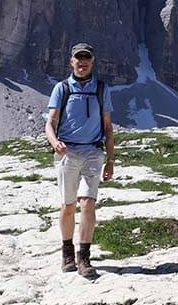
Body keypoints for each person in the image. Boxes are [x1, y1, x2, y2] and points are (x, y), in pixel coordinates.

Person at [44, 42, 115, 280]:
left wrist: (111, 160)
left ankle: (84, 258)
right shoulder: (61, 89)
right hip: (67, 154)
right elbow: (50, 123)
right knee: (67, 206)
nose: (82, 62)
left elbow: (108, 127)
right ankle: (67, 252)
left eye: (87, 58)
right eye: (78, 58)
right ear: (71, 61)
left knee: (87, 203)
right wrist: (55, 143)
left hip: (93, 154)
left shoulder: (102, 89)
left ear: (93, 62)